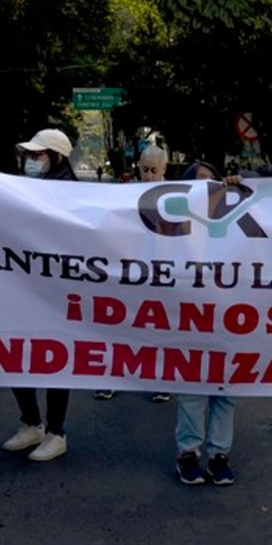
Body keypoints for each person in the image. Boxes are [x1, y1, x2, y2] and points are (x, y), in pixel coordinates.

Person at [1, 128, 78, 462]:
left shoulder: (71, 193)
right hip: (24, 285)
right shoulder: (26, 187)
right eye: (29, 155)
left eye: (38, 154)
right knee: (16, 352)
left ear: (57, 157)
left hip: (56, 290)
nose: (31, 160)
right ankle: (32, 423)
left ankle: (56, 432)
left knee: (53, 357)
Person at [174, 159, 239, 486]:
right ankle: (188, 453)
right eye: (198, 181)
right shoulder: (176, 224)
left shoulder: (234, 220)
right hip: (192, 316)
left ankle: (219, 455)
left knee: (225, 390)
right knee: (193, 391)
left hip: (228, 316)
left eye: (211, 181)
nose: (205, 187)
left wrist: (243, 183)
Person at [94, 145, 172, 404]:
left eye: (154, 170)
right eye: (144, 169)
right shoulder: (125, 194)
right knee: (120, 327)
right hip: (129, 271)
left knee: (159, 330)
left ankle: (161, 381)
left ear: (164, 168)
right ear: (138, 166)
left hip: (162, 273)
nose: (149, 176)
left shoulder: (178, 195)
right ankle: (112, 379)